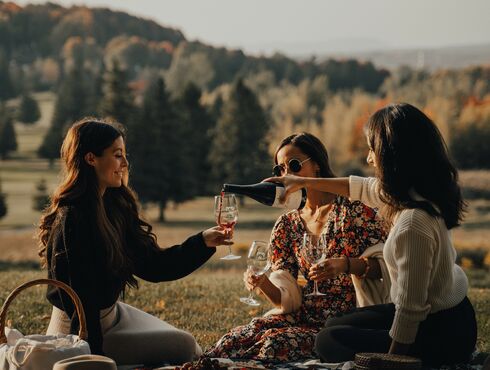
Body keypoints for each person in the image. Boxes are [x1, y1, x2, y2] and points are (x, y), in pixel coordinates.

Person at [268, 104, 477, 367]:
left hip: (443, 330)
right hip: (443, 312)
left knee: (327, 341)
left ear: (393, 156)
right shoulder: (411, 194)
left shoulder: (414, 223)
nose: (369, 159)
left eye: (372, 150)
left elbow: (411, 309)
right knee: (334, 324)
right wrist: (302, 182)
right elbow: (360, 187)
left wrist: (392, 358)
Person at [38, 118, 231, 365]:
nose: (125, 163)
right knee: (184, 347)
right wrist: (93, 358)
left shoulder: (115, 205)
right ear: (90, 158)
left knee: (191, 345)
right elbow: (80, 302)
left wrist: (203, 242)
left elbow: (155, 265)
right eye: (117, 155)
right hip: (81, 329)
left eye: (124, 155)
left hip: (114, 314)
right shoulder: (73, 219)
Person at [206, 132, 387, 362]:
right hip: (299, 317)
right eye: (280, 170)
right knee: (235, 339)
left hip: (342, 323)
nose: (287, 175)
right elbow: (286, 301)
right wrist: (263, 282)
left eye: (294, 165)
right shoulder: (286, 225)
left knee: (273, 344)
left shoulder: (355, 212)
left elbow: (386, 269)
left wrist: (346, 265)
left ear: (317, 165)